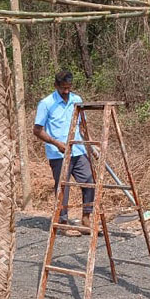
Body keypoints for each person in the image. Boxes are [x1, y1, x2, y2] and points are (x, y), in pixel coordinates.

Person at [33, 70, 96, 233]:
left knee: (89, 181)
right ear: (56, 85)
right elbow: (37, 130)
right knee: (63, 187)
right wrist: (56, 143)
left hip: (78, 150)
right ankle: (63, 222)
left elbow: (82, 126)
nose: (66, 91)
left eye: (69, 87)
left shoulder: (77, 100)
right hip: (58, 153)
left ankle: (86, 218)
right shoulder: (46, 103)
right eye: (63, 88)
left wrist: (91, 146)